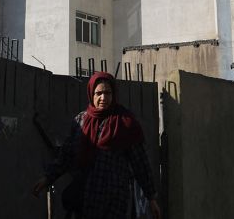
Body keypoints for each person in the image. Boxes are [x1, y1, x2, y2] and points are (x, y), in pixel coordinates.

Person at [31, 72, 161, 219]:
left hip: (114, 202)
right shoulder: (81, 120)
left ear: (114, 95)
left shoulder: (125, 123)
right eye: (99, 93)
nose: (103, 98)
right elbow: (66, 155)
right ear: (91, 94)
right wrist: (48, 178)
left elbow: (141, 164)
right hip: (85, 200)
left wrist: (151, 199)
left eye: (108, 93)